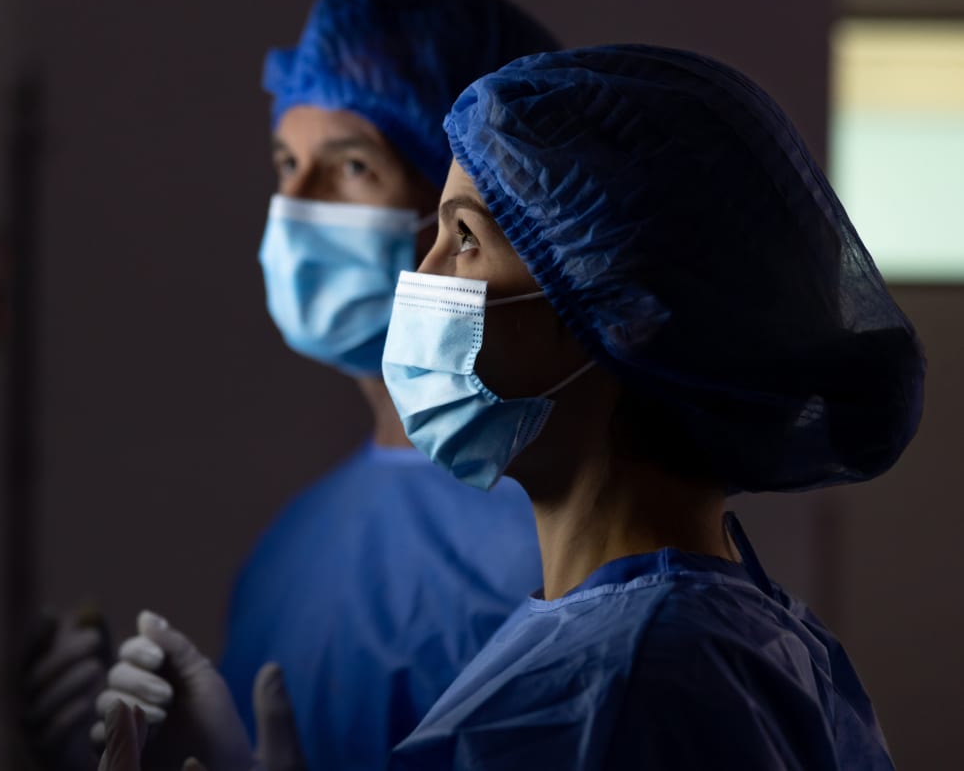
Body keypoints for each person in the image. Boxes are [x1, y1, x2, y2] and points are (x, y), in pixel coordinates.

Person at [95, 44, 924, 771]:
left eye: (463, 238)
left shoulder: (627, 686)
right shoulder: (709, 635)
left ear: (620, 312)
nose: (420, 277)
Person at [29, 0, 561, 771]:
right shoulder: (291, 546)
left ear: (471, 200)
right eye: (287, 161)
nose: (295, 206)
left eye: (350, 167)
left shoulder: (559, 544)